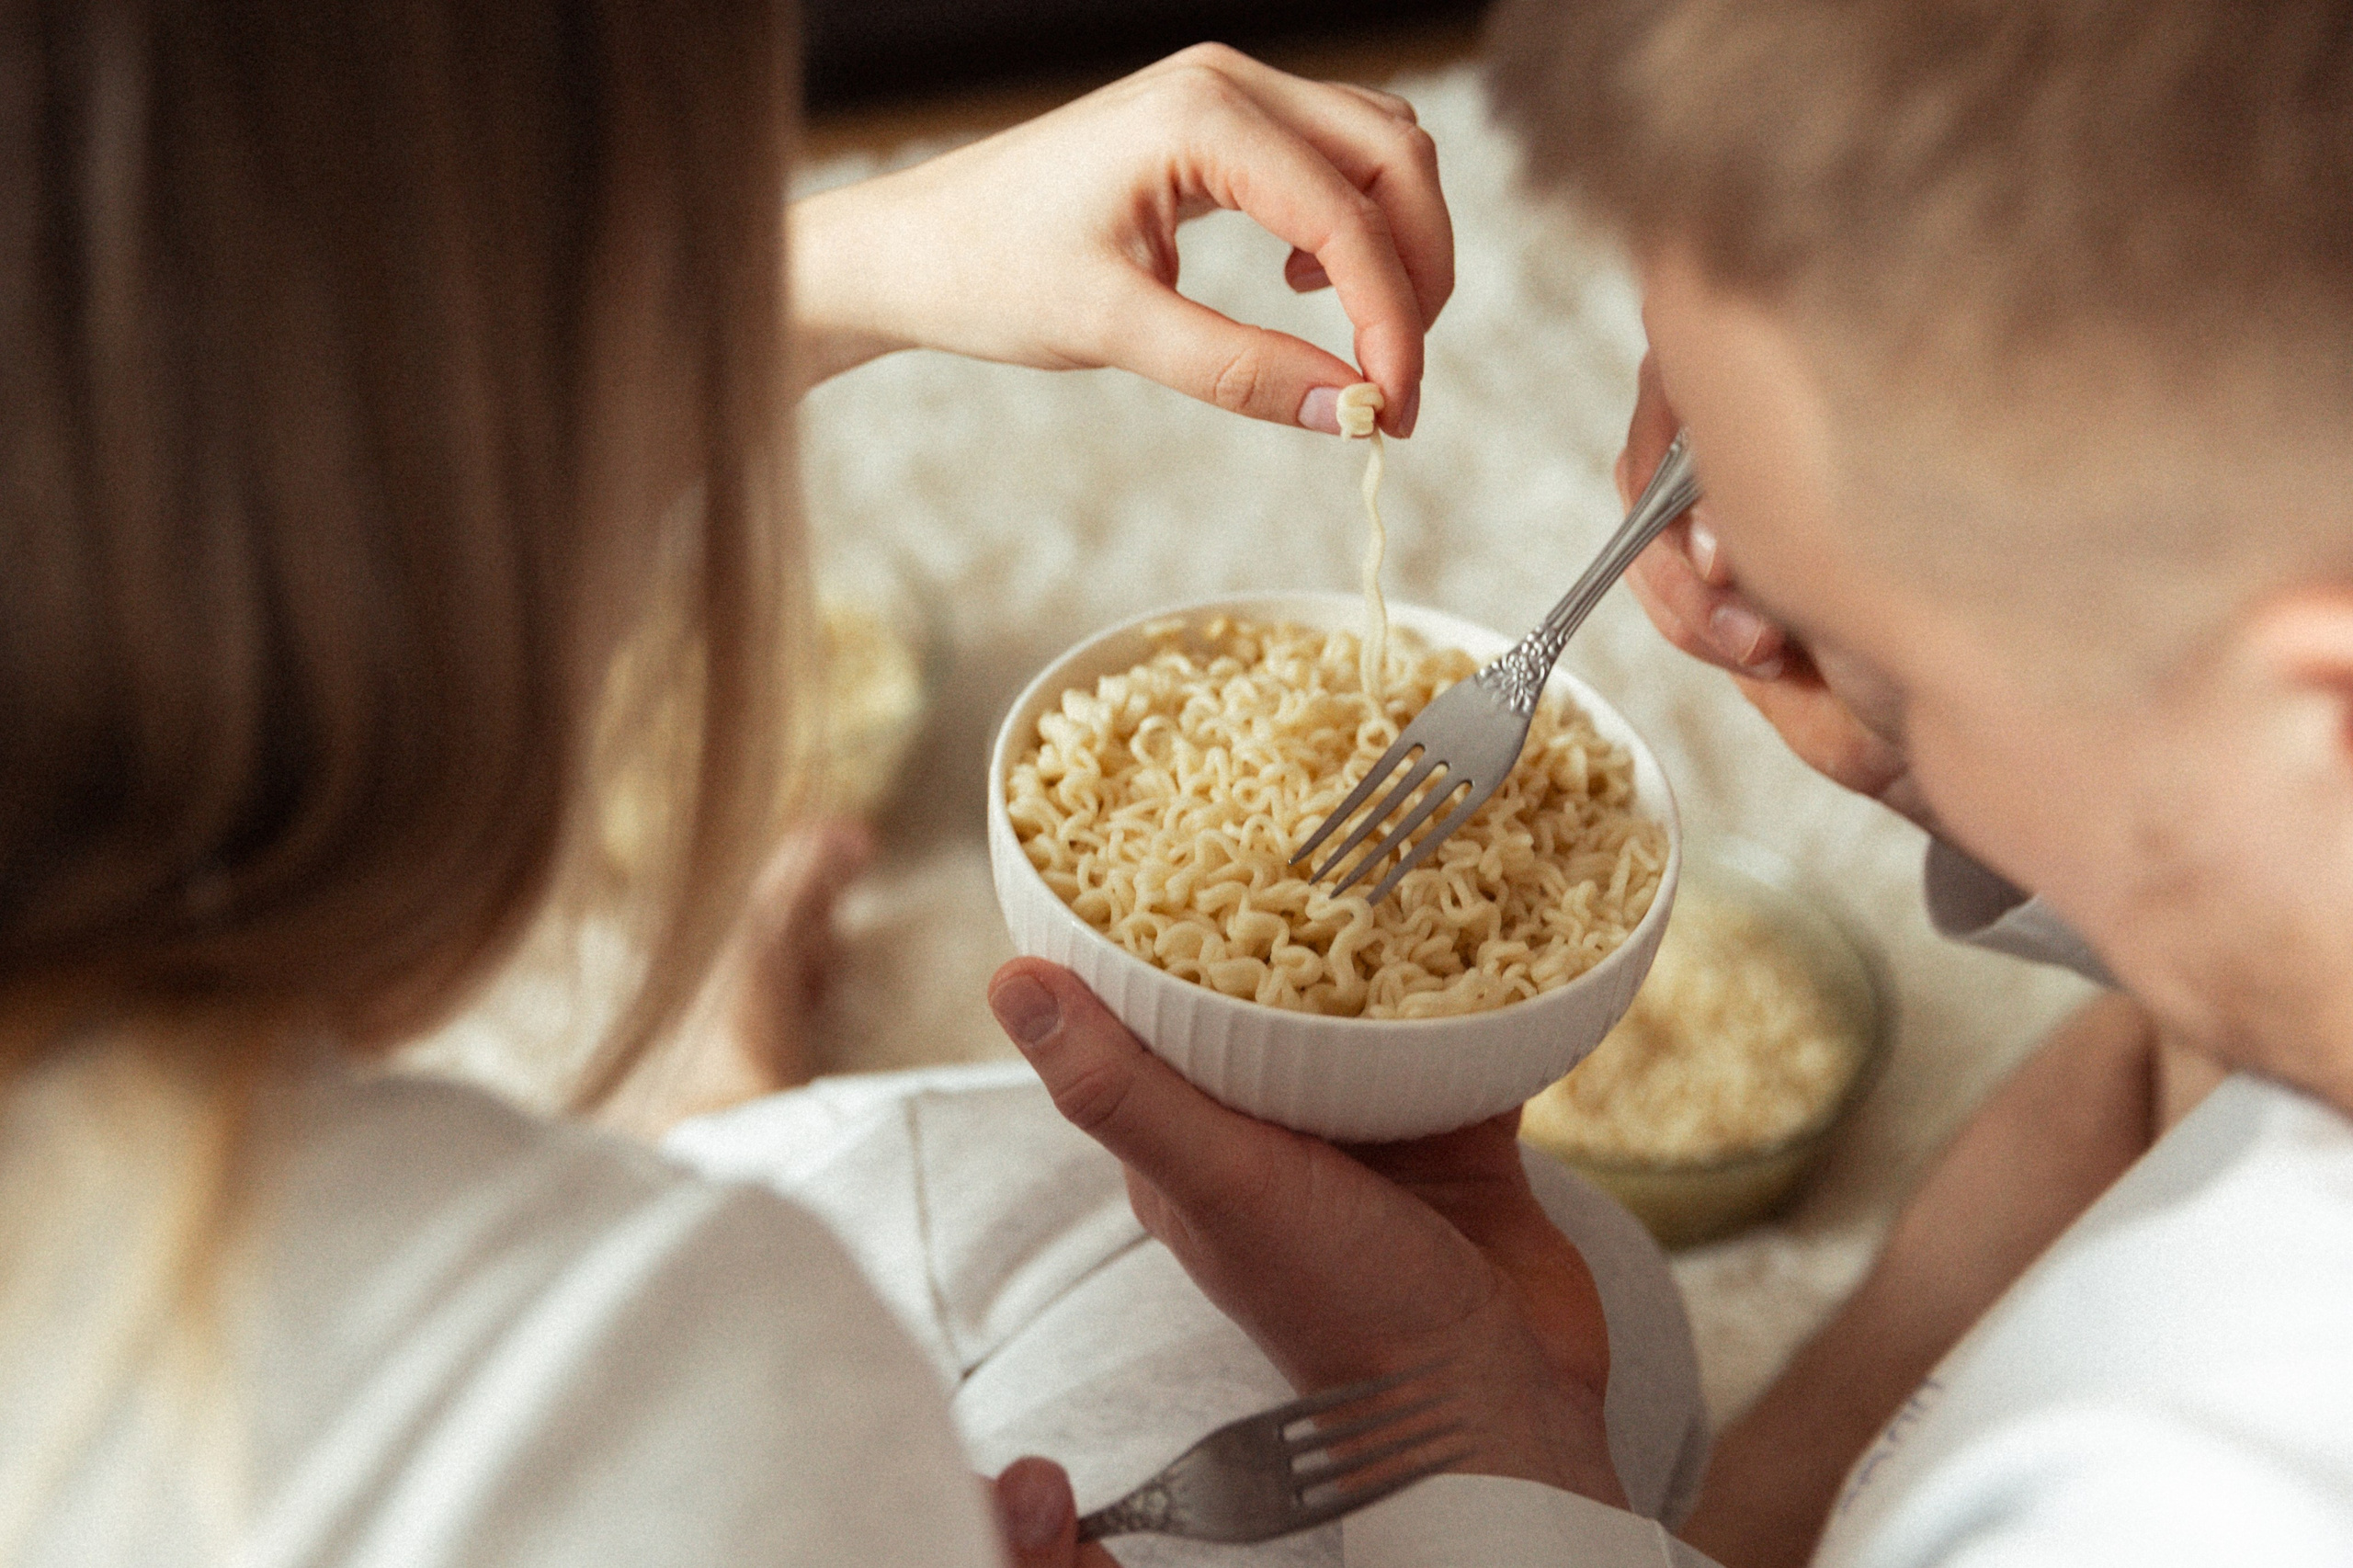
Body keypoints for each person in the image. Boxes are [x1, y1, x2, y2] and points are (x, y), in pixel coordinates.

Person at [0, 10, 1483, 1562]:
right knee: (1495, 1358)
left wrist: (844, 264)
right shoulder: (686, 1373)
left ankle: (735, 1111)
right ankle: (727, 1117)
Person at [993, 0, 2353, 1562]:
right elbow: (2157, 1073)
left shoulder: (2197, 1505)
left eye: (1866, 639)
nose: (1738, 592)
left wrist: (1463, 1411)